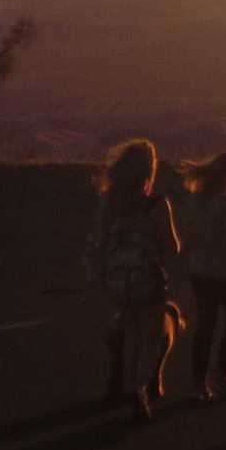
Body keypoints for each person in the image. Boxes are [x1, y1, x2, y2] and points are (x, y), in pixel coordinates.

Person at [94, 139, 181, 422]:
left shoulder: (111, 203)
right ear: (149, 171)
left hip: (119, 281)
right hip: (149, 279)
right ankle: (139, 388)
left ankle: (128, 384)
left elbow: (104, 241)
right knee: (150, 338)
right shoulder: (157, 204)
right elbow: (172, 246)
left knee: (130, 336)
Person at [181, 151, 226, 401]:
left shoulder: (193, 201)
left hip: (200, 272)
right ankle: (221, 377)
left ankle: (198, 382)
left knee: (205, 328)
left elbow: (191, 237)